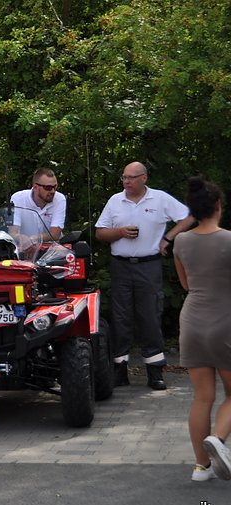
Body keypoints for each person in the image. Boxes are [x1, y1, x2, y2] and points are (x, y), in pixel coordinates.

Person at [95, 161, 194, 390]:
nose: (126, 182)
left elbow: (189, 217)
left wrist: (168, 238)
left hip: (148, 265)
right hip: (120, 266)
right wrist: (119, 232)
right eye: (124, 177)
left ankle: (155, 371)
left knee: (149, 315)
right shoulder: (115, 201)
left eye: (131, 177)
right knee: (121, 318)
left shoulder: (159, 199)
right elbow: (100, 233)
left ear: (144, 178)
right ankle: (120, 370)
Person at [172, 175, 231, 482]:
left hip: (192, 321)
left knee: (202, 396)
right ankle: (218, 441)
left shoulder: (181, 241)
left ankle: (201, 467)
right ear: (218, 206)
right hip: (226, 322)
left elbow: (186, 284)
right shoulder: (229, 240)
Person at [9, 167, 67, 243]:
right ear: (35, 187)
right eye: (48, 187)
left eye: (55, 187)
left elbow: (55, 234)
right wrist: (20, 238)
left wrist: (33, 239)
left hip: (52, 248)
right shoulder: (18, 199)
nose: (53, 191)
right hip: (24, 248)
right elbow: (13, 233)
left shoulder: (59, 199)